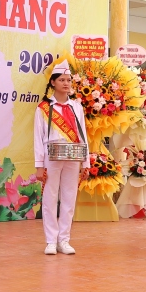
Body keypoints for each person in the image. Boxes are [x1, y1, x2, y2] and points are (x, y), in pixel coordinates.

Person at [34, 61, 89, 255]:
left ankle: (64, 240)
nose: (66, 83)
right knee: (49, 198)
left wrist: (86, 161)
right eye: (62, 80)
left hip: (73, 157)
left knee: (69, 198)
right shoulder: (44, 108)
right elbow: (38, 138)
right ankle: (50, 240)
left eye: (69, 80)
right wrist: (39, 165)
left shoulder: (76, 107)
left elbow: (83, 135)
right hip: (52, 157)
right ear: (53, 83)